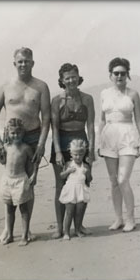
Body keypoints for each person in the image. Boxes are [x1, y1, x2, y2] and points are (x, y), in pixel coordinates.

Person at [0, 47, 51, 243]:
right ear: (14, 63)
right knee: (10, 180)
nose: (23, 64)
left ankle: (26, 230)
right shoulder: (5, 87)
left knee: (28, 184)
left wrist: (41, 143)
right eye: (20, 61)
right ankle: (8, 230)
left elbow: (47, 116)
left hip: (33, 137)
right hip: (10, 140)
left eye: (27, 61)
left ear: (33, 63)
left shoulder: (41, 87)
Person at [98, 57, 140, 232]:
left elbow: (139, 118)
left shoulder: (133, 94)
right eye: (116, 73)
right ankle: (118, 218)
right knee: (113, 181)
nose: (119, 76)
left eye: (123, 73)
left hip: (128, 135)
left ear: (127, 75)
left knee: (123, 179)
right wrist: (99, 140)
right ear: (110, 75)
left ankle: (131, 219)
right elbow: (102, 120)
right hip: (108, 136)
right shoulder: (104, 94)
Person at [49, 62, 96, 238]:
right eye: (67, 78)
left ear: (79, 77)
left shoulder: (88, 99)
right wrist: (59, 152)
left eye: (74, 77)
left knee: (83, 181)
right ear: (62, 80)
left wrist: (91, 149)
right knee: (61, 185)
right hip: (61, 140)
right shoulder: (57, 101)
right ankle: (60, 228)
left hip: (81, 141)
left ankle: (79, 225)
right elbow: (54, 128)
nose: (71, 80)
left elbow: (90, 125)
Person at [0, 118, 39, 246]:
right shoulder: (6, 147)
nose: (16, 136)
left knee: (24, 209)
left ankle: (25, 236)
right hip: (7, 180)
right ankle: (10, 235)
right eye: (13, 133)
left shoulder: (26, 148)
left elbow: (34, 161)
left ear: (23, 133)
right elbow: (4, 162)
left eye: (18, 133)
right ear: (8, 133)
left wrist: (34, 175)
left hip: (21, 180)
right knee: (9, 209)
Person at [57, 138, 92, 240]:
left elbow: (89, 179)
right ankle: (66, 232)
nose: (78, 157)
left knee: (79, 212)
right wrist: (68, 171)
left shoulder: (85, 166)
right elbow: (61, 176)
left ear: (84, 154)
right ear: (71, 154)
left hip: (81, 190)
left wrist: (88, 172)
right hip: (71, 190)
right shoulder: (68, 164)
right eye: (75, 154)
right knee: (69, 212)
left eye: (80, 154)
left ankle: (77, 230)